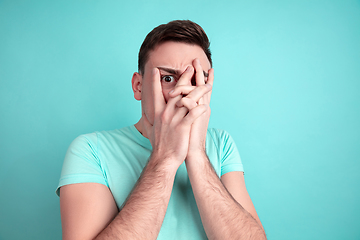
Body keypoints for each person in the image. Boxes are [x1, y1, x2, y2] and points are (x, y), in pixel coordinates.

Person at [56, 20, 266, 240]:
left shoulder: (221, 144)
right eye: (168, 78)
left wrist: (196, 152)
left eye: (195, 79)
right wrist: (165, 157)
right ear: (138, 86)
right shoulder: (91, 150)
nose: (184, 91)